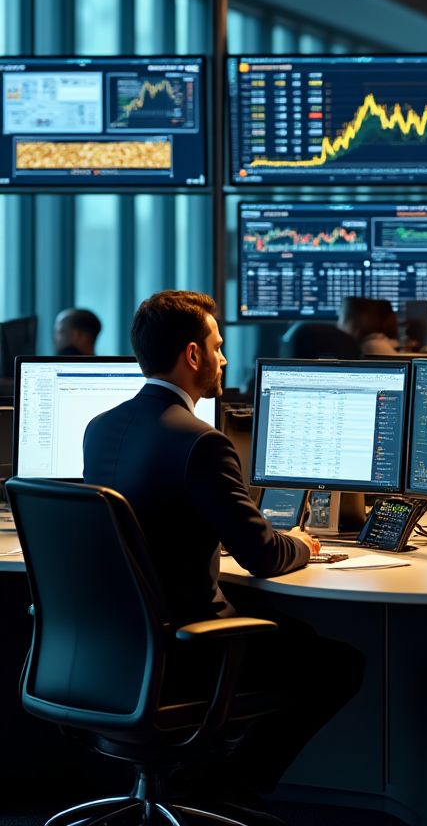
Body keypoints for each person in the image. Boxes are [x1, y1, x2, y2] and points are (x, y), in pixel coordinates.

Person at [83, 291, 363, 803]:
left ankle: (202, 781)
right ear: (193, 355)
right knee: (337, 664)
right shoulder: (201, 441)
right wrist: (301, 542)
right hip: (185, 649)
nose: (224, 359)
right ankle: (232, 789)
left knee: (282, 626)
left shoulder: (99, 430)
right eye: (217, 345)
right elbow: (263, 556)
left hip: (115, 646)